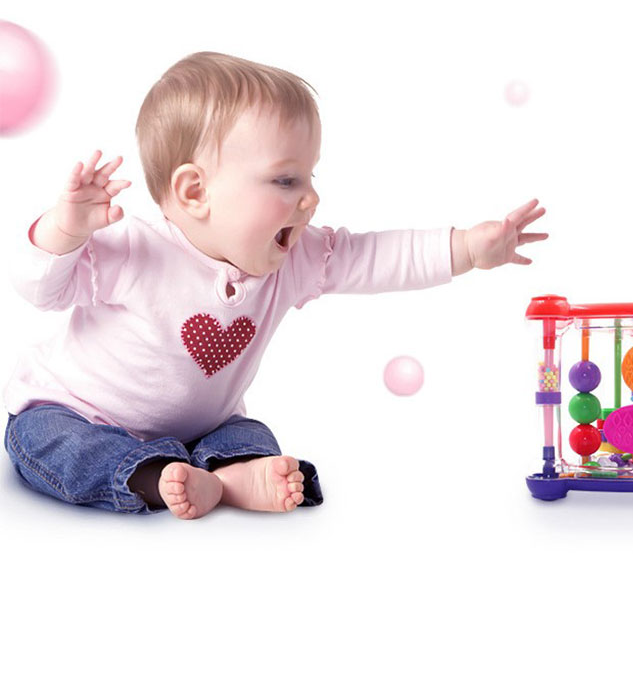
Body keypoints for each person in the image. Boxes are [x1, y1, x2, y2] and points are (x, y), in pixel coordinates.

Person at [3, 51, 547, 520]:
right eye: (286, 180)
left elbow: (375, 256)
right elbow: (40, 289)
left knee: (245, 433)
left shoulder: (293, 259)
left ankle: (232, 472)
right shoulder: (133, 249)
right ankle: (151, 477)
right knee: (47, 442)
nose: (311, 198)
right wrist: (65, 230)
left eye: (310, 176)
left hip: (201, 426)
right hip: (78, 411)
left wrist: (466, 248)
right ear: (195, 192)